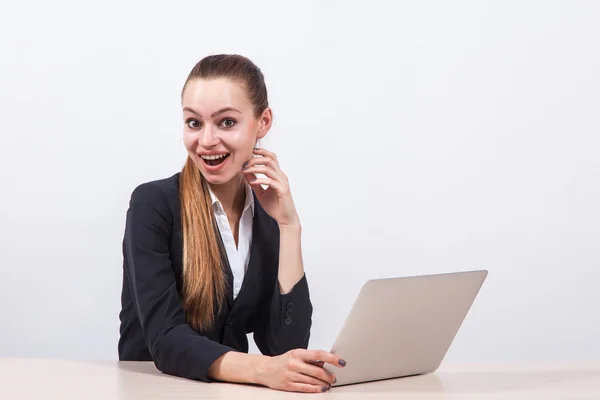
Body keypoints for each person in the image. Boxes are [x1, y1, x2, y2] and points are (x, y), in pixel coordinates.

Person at [117, 54, 346, 393]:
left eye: (226, 122)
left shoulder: (267, 218)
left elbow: (284, 345)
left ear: (263, 122)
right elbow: (166, 340)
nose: (206, 140)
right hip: (158, 390)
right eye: (194, 123)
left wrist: (289, 225)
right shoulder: (153, 205)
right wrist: (265, 370)